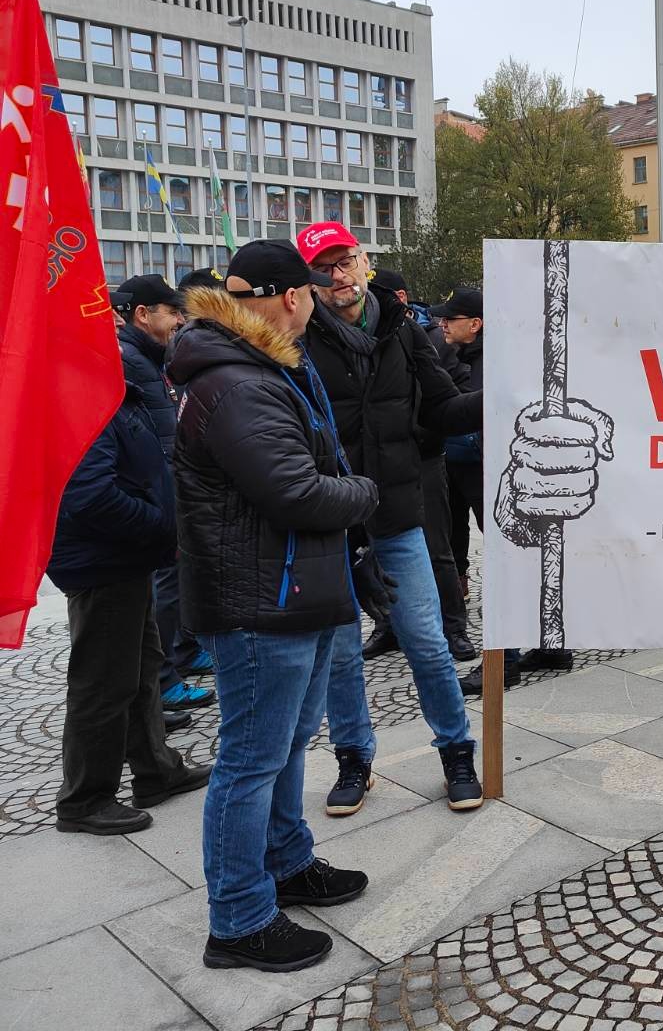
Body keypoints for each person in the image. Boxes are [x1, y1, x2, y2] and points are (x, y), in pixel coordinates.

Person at [170, 241, 382, 973]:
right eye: (314, 295)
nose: (321, 304)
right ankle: (237, 919)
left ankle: (286, 862)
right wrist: (365, 493)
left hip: (293, 587)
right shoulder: (237, 382)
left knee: (288, 745)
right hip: (262, 598)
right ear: (293, 299)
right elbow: (297, 490)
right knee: (251, 760)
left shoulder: (256, 369)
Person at [295, 222, 485, 816]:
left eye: (345, 261)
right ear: (309, 280)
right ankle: (354, 758)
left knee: (427, 643)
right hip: (329, 521)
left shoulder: (403, 329)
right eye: (324, 268)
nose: (338, 276)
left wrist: (503, 392)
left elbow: (444, 409)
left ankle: (456, 751)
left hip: (398, 513)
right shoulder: (295, 341)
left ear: (364, 261)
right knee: (342, 651)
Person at [48, 370, 210, 835]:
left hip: (124, 558)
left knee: (140, 668)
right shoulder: (82, 396)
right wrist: (161, 526)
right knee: (102, 682)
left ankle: (156, 770)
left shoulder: (108, 391)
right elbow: (90, 496)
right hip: (102, 563)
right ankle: (84, 799)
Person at [359, 269, 476, 667]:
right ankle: (387, 626)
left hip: (422, 458)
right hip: (366, 468)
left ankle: (453, 627)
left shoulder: (419, 338)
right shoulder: (337, 339)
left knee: (437, 547)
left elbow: (451, 396)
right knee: (374, 551)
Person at [111, 275, 216, 712]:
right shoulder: (131, 359)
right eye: (173, 312)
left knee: (180, 576)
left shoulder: (151, 355)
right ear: (143, 314)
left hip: (171, 478)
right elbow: (152, 433)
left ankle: (184, 652)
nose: (179, 320)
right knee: (167, 582)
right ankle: (165, 677)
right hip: (156, 486)